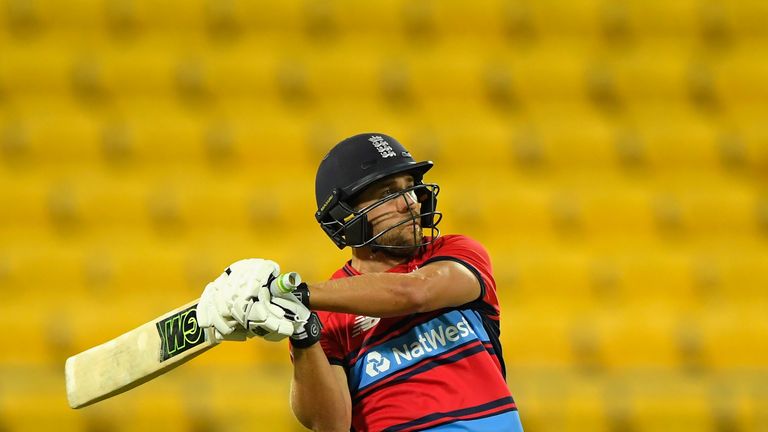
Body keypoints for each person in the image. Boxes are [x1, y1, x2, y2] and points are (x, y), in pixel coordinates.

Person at [197, 133, 524, 432]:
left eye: (410, 186)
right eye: (388, 193)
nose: (410, 202)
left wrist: (296, 292)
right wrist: (302, 333)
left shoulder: (456, 251)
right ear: (345, 218)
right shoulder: (324, 314)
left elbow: (414, 292)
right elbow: (330, 423)